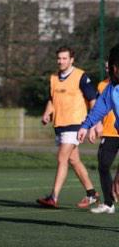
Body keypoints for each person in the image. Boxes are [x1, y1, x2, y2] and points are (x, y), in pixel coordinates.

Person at [37, 45, 99, 209]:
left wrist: (93, 124)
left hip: (76, 124)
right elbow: (52, 100)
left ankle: (53, 197)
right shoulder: (53, 78)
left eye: (65, 58)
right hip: (60, 125)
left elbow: (93, 100)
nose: (61, 61)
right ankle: (92, 193)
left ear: (72, 60)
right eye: (59, 58)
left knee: (62, 158)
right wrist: (47, 113)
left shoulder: (81, 76)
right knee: (73, 160)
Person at [88, 63, 119, 214]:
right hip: (109, 133)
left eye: (111, 66)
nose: (109, 69)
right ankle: (108, 203)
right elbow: (98, 108)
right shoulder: (102, 86)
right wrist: (95, 125)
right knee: (103, 165)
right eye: (106, 67)